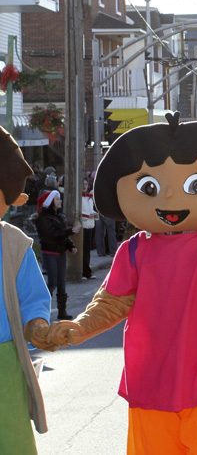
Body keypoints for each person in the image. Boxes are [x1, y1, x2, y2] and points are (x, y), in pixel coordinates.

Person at [47, 113, 197, 454]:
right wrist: (79, 329)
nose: (169, 196)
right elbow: (112, 302)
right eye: (149, 187)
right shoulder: (135, 250)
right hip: (152, 383)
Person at [0, 125, 56, 454]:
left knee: (10, 440)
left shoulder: (13, 243)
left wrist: (37, 324)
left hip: (3, 363)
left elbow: (33, 298)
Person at [34, 190, 79, 320]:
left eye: (59, 199)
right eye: (57, 199)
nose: (60, 201)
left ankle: (62, 311)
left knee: (61, 282)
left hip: (61, 253)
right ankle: (40, 310)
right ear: (50, 202)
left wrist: (71, 246)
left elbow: (62, 235)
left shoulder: (60, 216)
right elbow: (52, 236)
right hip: (49, 253)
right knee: (52, 282)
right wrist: (70, 231)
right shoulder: (43, 218)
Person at [80, 176, 97, 280]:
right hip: (83, 226)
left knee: (87, 250)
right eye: (82, 184)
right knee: (83, 250)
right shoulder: (79, 198)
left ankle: (87, 271)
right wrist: (88, 215)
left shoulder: (89, 198)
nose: (84, 186)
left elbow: (91, 210)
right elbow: (78, 213)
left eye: (86, 184)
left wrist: (95, 214)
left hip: (91, 226)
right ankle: (83, 271)